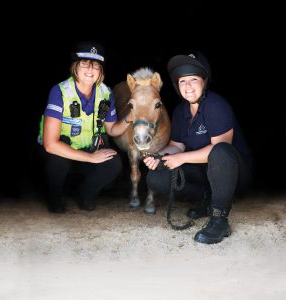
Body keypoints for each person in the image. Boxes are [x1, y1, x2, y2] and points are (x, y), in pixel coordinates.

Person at [143, 51, 253, 244]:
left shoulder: (216, 105)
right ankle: (205, 199)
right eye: (183, 81)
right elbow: (177, 146)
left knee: (220, 151)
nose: (188, 86)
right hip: (204, 172)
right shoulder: (180, 111)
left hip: (233, 174)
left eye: (193, 79)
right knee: (156, 178)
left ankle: (219, 220)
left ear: (204, 81)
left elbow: (221, 149)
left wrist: (182, 158)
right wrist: (158, 156)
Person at [37, 41, 131, 213]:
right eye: (85, 64)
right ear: (75, 66)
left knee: (113, 162)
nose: (90, 70)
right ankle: (55, 197)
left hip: (88, 150)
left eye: (96, 66)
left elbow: (111, 130)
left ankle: (84, 194)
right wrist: (91, 158)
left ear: (101, 71)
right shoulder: (60, 91)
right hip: (61, 152)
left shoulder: (106, 92)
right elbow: (50, 144)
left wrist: (131, 117)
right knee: (57, 162)